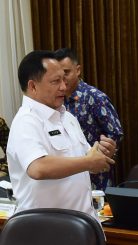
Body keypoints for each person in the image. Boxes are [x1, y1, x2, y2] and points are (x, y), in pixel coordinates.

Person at [7, 50, 116, 222]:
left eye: (64, 80)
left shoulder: (67, 118)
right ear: (33, 86)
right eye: (55, 82)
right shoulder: (26, 121)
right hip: (48, 230)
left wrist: (101, 155)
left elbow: (89, 164)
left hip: (83, 225)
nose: (64, 87)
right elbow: (38, 167)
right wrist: (88, 162)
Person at [54, 48, 123, 191]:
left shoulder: (95, 97)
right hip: (66, 176)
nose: (62, 79)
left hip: (96, 178)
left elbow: (115, 133)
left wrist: (106, 151)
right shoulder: (54, 99)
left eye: (66, 73)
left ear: (78, 70)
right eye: (58, 75)